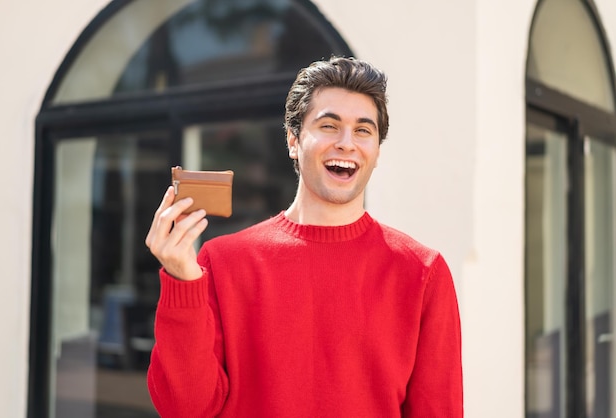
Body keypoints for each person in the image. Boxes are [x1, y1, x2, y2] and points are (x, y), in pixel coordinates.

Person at [145, 56, 463, 418]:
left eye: (363, 130)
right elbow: (185, 408)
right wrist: (182, 281)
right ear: (293, 140)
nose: (347, 143)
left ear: (376, 151)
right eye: (329, 126)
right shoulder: (222, 262)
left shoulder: (422, 272)